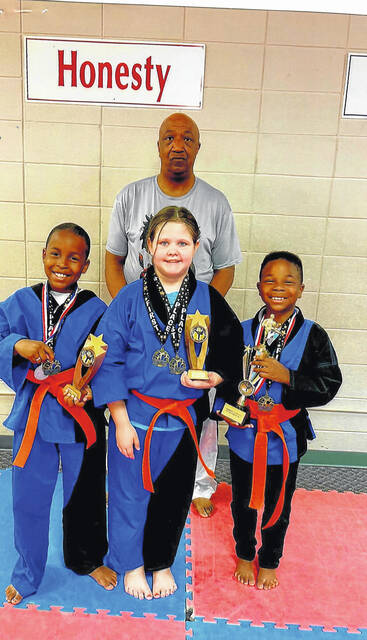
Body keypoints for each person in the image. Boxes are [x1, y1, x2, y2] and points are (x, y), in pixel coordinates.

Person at [93, 207, 243, 600]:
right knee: (129, 493)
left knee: (173, 499)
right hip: (137, 418)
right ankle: (131, 564)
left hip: (183, 421)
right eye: (164, 242)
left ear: (197, 248)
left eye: (183, 242)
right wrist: (120, 420)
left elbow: (230, 351)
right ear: (147, 248)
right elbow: (108, 360)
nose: (173, 250)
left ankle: (160, 562)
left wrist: (215, 378)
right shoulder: (127, 299)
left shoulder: (209, 299)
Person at [105, 112, 242, 518]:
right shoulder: (131, 196)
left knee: (199, 399)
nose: (178, 145)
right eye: (169, 137)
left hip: (192, 326)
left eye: (187, 138)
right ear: (159, 145)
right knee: (134, 397)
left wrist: (200, 314)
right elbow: (114, 259)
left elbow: (227, 265)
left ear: (198, 147)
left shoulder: (216, 202)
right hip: (140, 323)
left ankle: (200, 481)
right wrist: (129, 310)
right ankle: (129, 476)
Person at [0, 223, 117, 605]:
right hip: (34, 417)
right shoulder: (20, 302)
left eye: (74, 257)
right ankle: (27, 574)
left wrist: (93, 386)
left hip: (80, 416)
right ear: (43, 256)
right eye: (55, 253)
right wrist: (19, 345)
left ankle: (86, 560)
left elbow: (109, 358)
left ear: (86, 264)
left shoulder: (96, 309)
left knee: (86, 495)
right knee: (28, 498)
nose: (63, 263)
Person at [213, 251, 342, 590]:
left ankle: (269, 560)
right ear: (258, 287)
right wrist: (228, 413)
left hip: (285, 438)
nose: (279, 287)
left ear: (301, 289)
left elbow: (330, 384)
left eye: (288, 281)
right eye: (270, 280)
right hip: (246, 435)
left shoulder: (314, 335)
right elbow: (225, 380)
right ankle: (244, 552)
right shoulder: (241, 332)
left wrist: (289, 376)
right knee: (242, 501)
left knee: (279, 505)